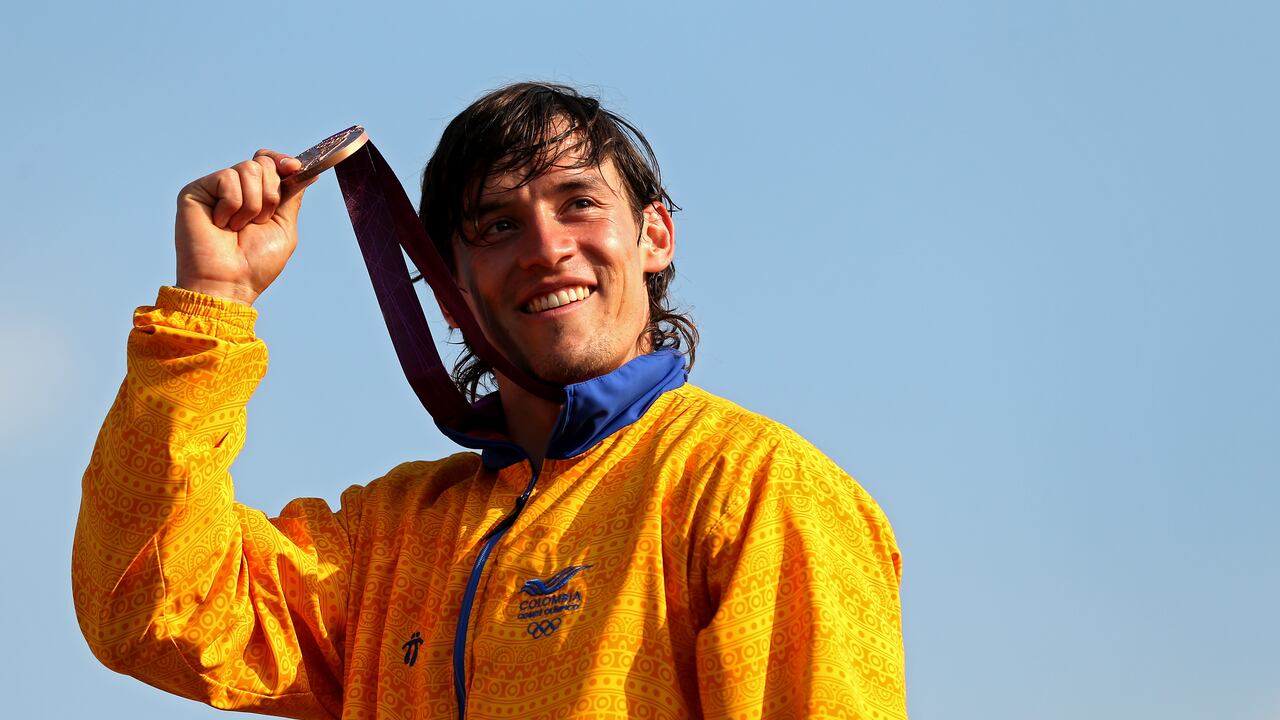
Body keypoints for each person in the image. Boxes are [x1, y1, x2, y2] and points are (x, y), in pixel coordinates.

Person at [72, 82, 906, 719]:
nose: (547, 249)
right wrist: (213, 303)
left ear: (654, 235)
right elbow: (145, 604)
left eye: (579, 202)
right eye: (497, 225)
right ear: (451, 293)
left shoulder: (755, 489)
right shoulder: (392, 540)